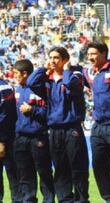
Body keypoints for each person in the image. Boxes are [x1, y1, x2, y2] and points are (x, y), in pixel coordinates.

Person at [27, 47, 89, 203]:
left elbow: (70, 85)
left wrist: (67, 70)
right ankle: (65, 200)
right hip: (54, 131)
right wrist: (43, 68)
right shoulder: (47, 81)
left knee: (78, 168)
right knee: (60, 169)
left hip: (72, 129)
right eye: (50, 57)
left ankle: (81, 199)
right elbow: (30, 82)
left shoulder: (75, 75)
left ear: (65, 60)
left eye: (56, 58)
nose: (52, 61)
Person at [84, 8, 110, 203]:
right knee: (99, 166)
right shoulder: (89, 73)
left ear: (103, 54)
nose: (91, 57)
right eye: (88, 54)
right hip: (98, 127)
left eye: (94, 53)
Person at [13, 59, 55, 203]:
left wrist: (32, 110)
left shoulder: (40, 88)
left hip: (38, 137)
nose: (14, 77)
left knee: (44, 173)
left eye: (16, 74)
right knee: (25, 175)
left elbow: (49, 112)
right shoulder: (18, 89)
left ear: (25, 74)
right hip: (21, 138)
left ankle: (48, 200)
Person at [0, 75, 20, 203]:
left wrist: (1, 140)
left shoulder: (3, 87)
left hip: (6, 140)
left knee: (13, 174)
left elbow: (5, 116)